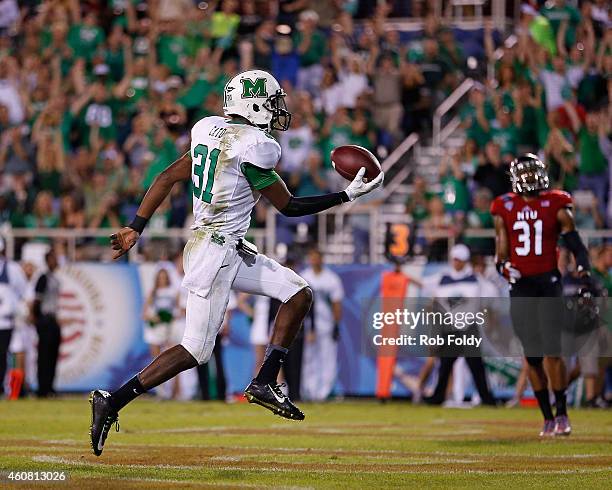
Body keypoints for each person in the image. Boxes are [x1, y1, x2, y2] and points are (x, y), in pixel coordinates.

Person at [89, 69, 383, 456]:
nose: (278, 111)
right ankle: (112, 400)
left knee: (298, 293)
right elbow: (289, 206)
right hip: (215, 252)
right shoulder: (253, 147)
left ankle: (263, 381)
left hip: (227, 247)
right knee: (195, 350)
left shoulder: (211, 132)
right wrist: (345, 196)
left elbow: (165, 176)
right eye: (272, 103)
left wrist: (135, 227)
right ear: (255, 104)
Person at [491, 153, 592, 437]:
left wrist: (584, 269)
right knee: (532, 356)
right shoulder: (504, 206)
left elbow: (576, 244)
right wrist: (504, 267)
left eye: (532, 172)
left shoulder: (556, 203)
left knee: (553, 351)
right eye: (524, 174)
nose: (529, 179)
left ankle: (561, 413)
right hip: (521, 286)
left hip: (548, 283)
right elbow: (501, 252)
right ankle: (547, 417)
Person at [422, 244, 496, 407]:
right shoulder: (443, 278)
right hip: (451, 327)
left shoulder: (475, 278)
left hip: (468, 326)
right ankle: (438, 396)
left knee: (476, 365)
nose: (456, 263)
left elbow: (490, 295)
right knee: (445, 365)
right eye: (454, 259)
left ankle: (486, 398)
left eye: (459, 260)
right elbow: (425, 287)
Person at [300, 248, 344, 401]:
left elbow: (337, 303)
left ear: (321, 259)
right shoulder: (304, 277)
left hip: (326, 324)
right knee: (308, 358)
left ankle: (325, 391)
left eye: (316, 257)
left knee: (327, 358)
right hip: (308, 324)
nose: (314, 260)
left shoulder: (331, 279)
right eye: (311, 257)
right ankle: (309, 390)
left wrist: (336, 324)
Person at [0, 236, 28, 397]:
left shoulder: (11, 268)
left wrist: (22, 310)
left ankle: (15, 389)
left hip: (8, 321)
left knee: (9, 355)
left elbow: (25, 291)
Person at [32, 250, 62, 398]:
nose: (57, 261)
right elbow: (36, 301)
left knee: (52, 355)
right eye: (54, 258)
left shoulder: (55, 278)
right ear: (48, 260)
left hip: (53, 320)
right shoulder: (43, 278)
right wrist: (37, 320)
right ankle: (42, 388)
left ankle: (50, 386)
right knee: (44, 356)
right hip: (45, 320)